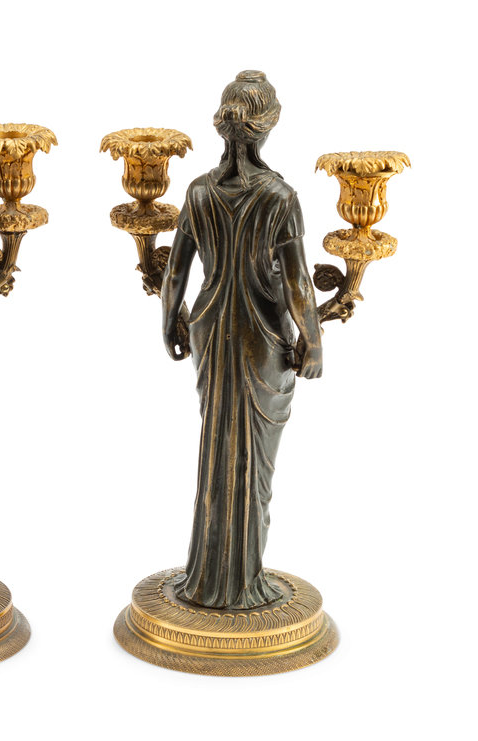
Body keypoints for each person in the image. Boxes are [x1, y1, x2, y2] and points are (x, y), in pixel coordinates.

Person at [162, 71, 323, 609]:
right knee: (253, 459)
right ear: (267, 126)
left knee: (218, 444)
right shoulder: (280, 196)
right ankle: (242, 581)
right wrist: (314, 340)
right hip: (264, 336)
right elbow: (298, 283)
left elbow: (175, 272)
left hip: (209, 328)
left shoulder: (199, 191)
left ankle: (211, 576)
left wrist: (170, 319)